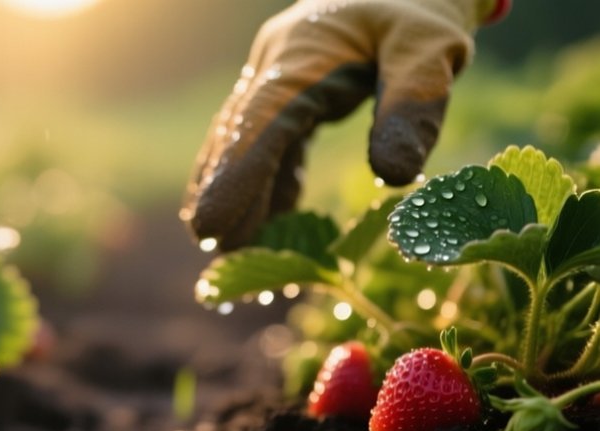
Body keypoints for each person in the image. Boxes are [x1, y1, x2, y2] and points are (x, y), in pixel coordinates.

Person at [181, 0, 511, 251]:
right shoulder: (430, 24)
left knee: (250, 159)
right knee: (392, 156)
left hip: (299, 18)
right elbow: (396, 159)